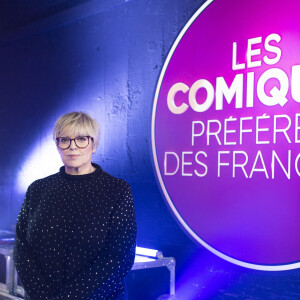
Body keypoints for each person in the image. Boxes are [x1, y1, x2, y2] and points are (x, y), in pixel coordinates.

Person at [13, 112, 137, 300]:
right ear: (57, 145)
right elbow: (22, 250)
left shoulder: (117, 190)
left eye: (81, 139)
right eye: (64, 140)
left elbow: (119, 257)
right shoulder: (37, 189)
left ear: (94, 145)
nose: (72, 147)